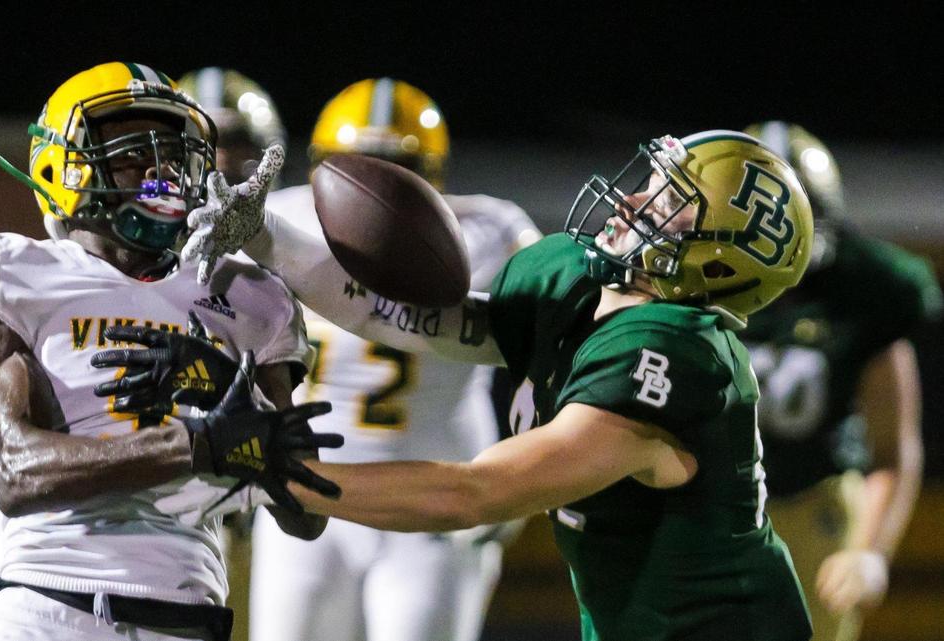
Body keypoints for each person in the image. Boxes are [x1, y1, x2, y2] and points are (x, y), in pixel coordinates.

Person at [146, 129, 819, 640]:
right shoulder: (581, 282)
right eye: (652, 180)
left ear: (717, 257)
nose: (637, 197)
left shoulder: (675, 357)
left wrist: (273, 470)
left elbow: (475, 490)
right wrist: (269, 239)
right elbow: (438, 321)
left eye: (669, 203)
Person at [0, 61, 338, 641]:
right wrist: (195, 445)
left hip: (189, 615)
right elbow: (13, 470)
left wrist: (230, 397)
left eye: (171, 152)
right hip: (40, 603)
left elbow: (308, 513)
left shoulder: (249, 294)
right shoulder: (9, 269)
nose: (160, 173)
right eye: (132, 153)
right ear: (58, 166)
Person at [249, 77, 541, 641]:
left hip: (433, 499)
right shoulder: (279, 220)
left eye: (394, 165)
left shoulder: (489, 230)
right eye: (355, 163)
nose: (372, 183)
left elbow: (555, 329)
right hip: (311, 492)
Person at [740, 121, 941, 641]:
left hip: (814, 501)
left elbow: (893, 451)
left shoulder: (864, 293)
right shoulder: (686, 287)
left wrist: (869, 550)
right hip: (708, 506)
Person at [173, 66, 290, 641]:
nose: (221, 162)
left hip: (244, 490)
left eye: (237, 144)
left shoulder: (290, 233)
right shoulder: (132, 229)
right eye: (206, 144)